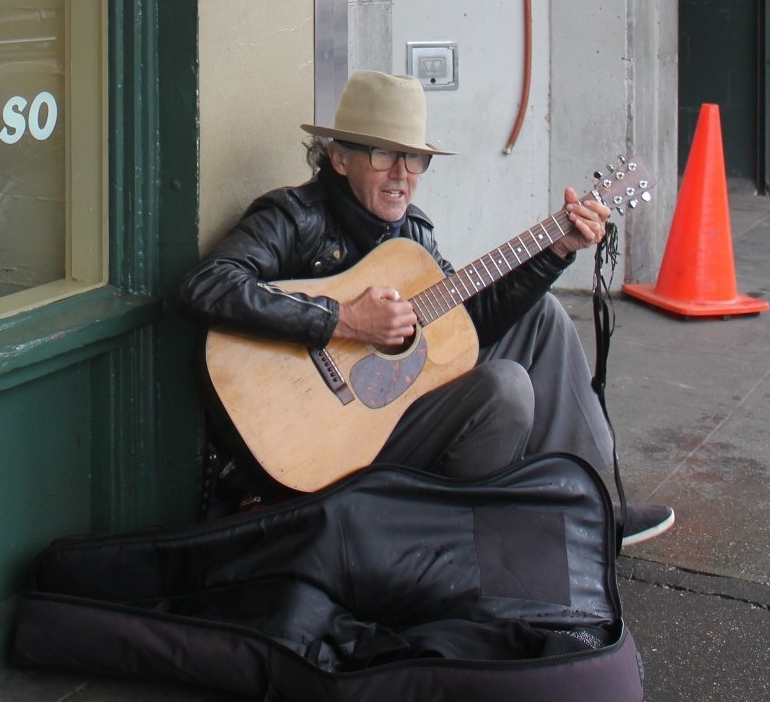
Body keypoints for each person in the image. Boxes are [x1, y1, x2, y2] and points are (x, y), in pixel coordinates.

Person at [180, 69, 673, 547]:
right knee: (505, 388)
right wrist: (342, 319)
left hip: (397, 414)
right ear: (338, 157)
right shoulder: (295, 216)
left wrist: (555, 253)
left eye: (415, 160)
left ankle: (584, 510)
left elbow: (468, 327)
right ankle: (463, 545)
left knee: (543, 317)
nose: (402, 175)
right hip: (334, 447)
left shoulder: (414, 234)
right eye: (383, 155)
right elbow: (208, 284)